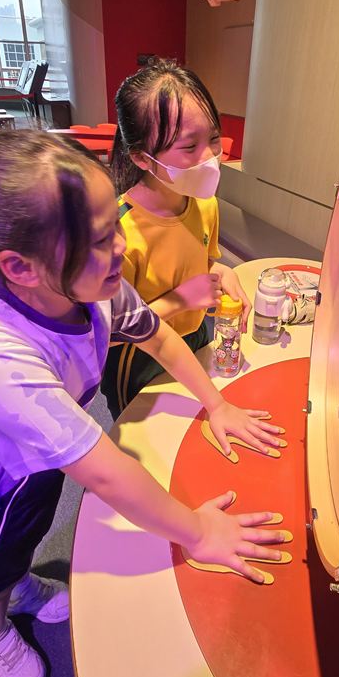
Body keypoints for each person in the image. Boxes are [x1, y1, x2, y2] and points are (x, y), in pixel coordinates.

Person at [0, 130, 286, 677]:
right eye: (98, 238)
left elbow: (158, 337)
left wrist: (216, 402)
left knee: (25, 538)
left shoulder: (94, 284)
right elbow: (104, 473)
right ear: (20, 267)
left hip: (38, 457)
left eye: (112, 225)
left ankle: (20, 583)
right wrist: (197, 532)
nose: (120, 246)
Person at [103, 59, 250, 418]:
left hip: (196, 333)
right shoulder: (118, 234)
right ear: (142, 158)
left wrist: (221, 273)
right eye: (189, 147)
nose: (209, 157)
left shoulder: (205, 203)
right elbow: (105, 333)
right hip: (137, 358)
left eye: (213, 139)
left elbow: (201, 260)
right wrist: (180, 300)